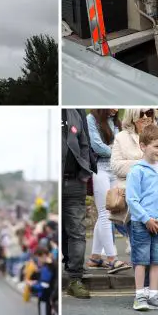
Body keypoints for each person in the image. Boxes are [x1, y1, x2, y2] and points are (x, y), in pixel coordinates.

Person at [112, 110, 158, 304]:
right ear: (132, 117)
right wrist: (147, 165)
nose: (146, 116)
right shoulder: (122, 138)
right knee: (141, 249)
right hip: (136, 205)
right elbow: (116, 166)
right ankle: (143, 292)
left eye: (149, 112)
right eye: (141, 114)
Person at [126, 124, 158, 312]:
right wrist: (146, 219)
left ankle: (154, 295)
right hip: (141, 223)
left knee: (156, 260)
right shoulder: (136, 170)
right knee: (141, 260)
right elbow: (132, 199)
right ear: (143, 146)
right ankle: (140, 296)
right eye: (156, 146)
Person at [85, 109, 129, 273]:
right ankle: (112, 259)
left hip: (115, 170)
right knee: (105, 213)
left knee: (110, 211)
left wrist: (115, 151)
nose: (116, 109)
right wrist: (117, 153)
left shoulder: (116, 121)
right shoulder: (91, 119)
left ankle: (95, 257)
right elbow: (97, 146)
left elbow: (119, 145)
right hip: (100, 169)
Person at [61, 109, 96, 299]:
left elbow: (84, 142)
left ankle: (75, 279)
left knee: (77, 232)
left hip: (75, 182)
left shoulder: (75, 112)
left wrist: (84, 170)